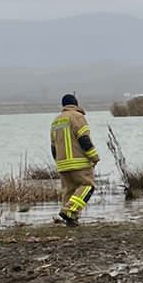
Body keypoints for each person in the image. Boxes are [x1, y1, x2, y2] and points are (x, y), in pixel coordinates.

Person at [50, 92, 99, 226]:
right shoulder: (78, 117)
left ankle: (71, 219)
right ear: (76, 104)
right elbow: (84, 139)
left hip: (62, 163)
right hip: (79, 162)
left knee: (69, 190)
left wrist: (58, 161)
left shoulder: (56, 120)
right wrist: (94, 157)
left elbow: (53, 146)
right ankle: (69, 210)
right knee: (88, 186)